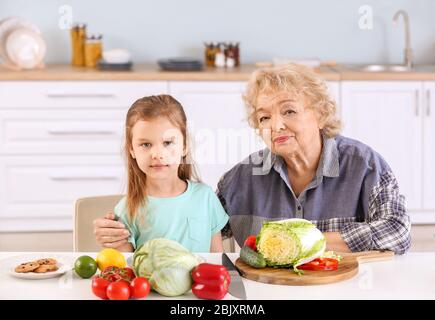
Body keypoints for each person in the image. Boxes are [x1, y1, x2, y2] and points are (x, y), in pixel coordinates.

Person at [217, 64, 411, 254]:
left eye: (289, 111)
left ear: (321, 115)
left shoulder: (364, 166)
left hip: (343, 285)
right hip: (266, 286)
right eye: (264, 118)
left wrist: (304, 241)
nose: (275, 126)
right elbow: (202, 230)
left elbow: (397, 231)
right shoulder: (238, 180)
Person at [93, 94, 228, 252]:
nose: (157, 154)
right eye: (145, 144)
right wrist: (112, 240)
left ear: (184, 145)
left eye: (168, 143)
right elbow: (125, 268)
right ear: (132, 149)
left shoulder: (205, 197)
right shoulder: (127, 209)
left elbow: (217, 261)